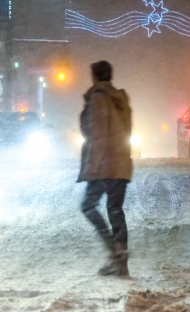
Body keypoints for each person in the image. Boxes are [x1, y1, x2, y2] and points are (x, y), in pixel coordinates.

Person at [78, 61, 133, 277]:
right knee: (115, 209)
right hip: (120, 163)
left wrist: (92, 166)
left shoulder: (99, 98)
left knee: (89, 206)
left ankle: (114, 249)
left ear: (94, 76)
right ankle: (121, 262)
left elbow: (98, 136)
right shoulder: (121, 100)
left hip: (103, 165)